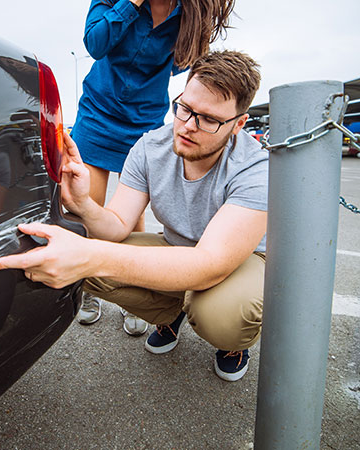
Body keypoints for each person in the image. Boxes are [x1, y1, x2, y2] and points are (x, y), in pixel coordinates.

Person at [0, 50, 266, 382]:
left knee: (222, 315)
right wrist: (83, 204)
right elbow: (117, 227)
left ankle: (232, 344)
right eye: (185, 108)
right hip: (178, 248)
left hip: (238, 260)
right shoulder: (152, 146)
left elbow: (210, 265)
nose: (188, 127)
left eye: (208, 119)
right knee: (85, 254)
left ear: (238, 124)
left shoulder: (255, 167)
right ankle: (169, 313)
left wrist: (91, 257)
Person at [72, 0, 236, 334]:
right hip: (98, 112)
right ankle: (86, 288)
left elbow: (181, 64)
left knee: (131, 213)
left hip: (144, 118)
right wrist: (131, 4)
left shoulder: (188, 15)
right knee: (88, 206)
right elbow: (95, 43)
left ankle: (135, 292)